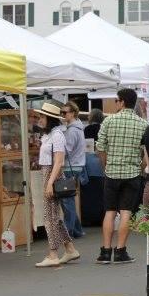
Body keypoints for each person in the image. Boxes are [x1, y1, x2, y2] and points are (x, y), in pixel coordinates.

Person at [96, 88, 146, 265]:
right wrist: (140, 167)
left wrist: (105, 165)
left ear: (123, 102)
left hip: (112, 172)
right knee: (126, 212)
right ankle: (120, 251)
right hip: (132, 174)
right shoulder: (142, 124)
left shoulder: (108, 121)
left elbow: (100, 147)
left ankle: (105, 251)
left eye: (117, 100)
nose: (116, 103)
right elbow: (144, 154)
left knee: (109, 211)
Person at [29, 101, 79, 268]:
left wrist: (50, 182)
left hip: (51, 174)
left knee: (49, 216)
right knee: (53, 216)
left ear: (49, 118)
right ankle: (69, 248)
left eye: (42, 116)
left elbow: (59, 162)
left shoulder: (57, 135)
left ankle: (53, 253)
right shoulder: (50, 134)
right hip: (49, 173)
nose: (39, 119)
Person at [60, 102, 87, 238]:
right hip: (76, 166)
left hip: (70, 168)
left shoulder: (71, 131)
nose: (63, 115)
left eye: (65, 113)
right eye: (62, 113)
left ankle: (67, 232)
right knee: (69, 198)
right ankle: (77, 230)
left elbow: (66, 151)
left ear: (72, 113)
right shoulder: (78, 128)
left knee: (67, 200)